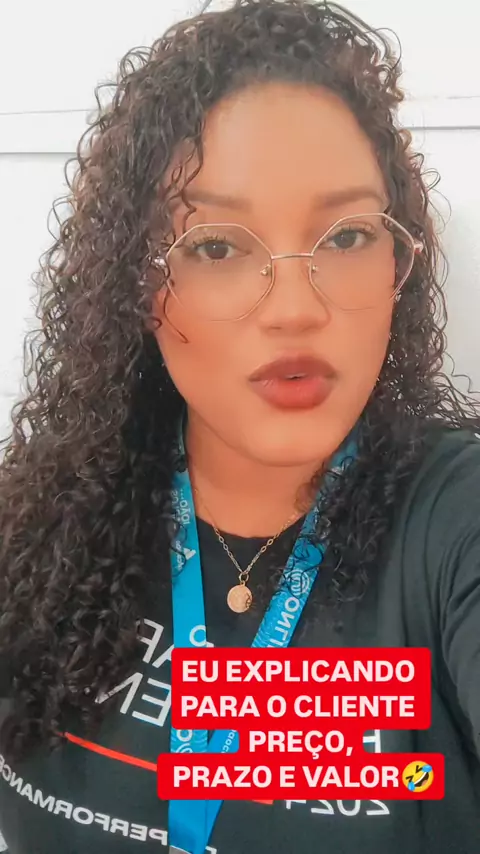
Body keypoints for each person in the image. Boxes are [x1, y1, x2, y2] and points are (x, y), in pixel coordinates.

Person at [1, 0, 480, 851]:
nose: (296, 308)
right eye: (217, 247)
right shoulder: (37, 525)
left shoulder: (453, 524)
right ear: (138, 287)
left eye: (347, 236)